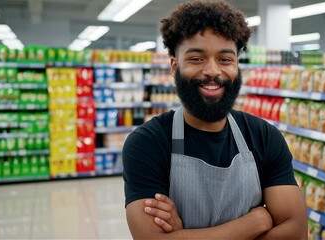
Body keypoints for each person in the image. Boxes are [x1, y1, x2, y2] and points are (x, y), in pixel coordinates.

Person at [123, 0, 307, 239]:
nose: (212, 71)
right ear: (174, 66)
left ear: (237, 66)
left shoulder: (264, 136)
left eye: (225, 59)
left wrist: (187, 235)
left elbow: (296, 231)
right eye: (197, 59)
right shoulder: (147, 143)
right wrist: (254, 222)